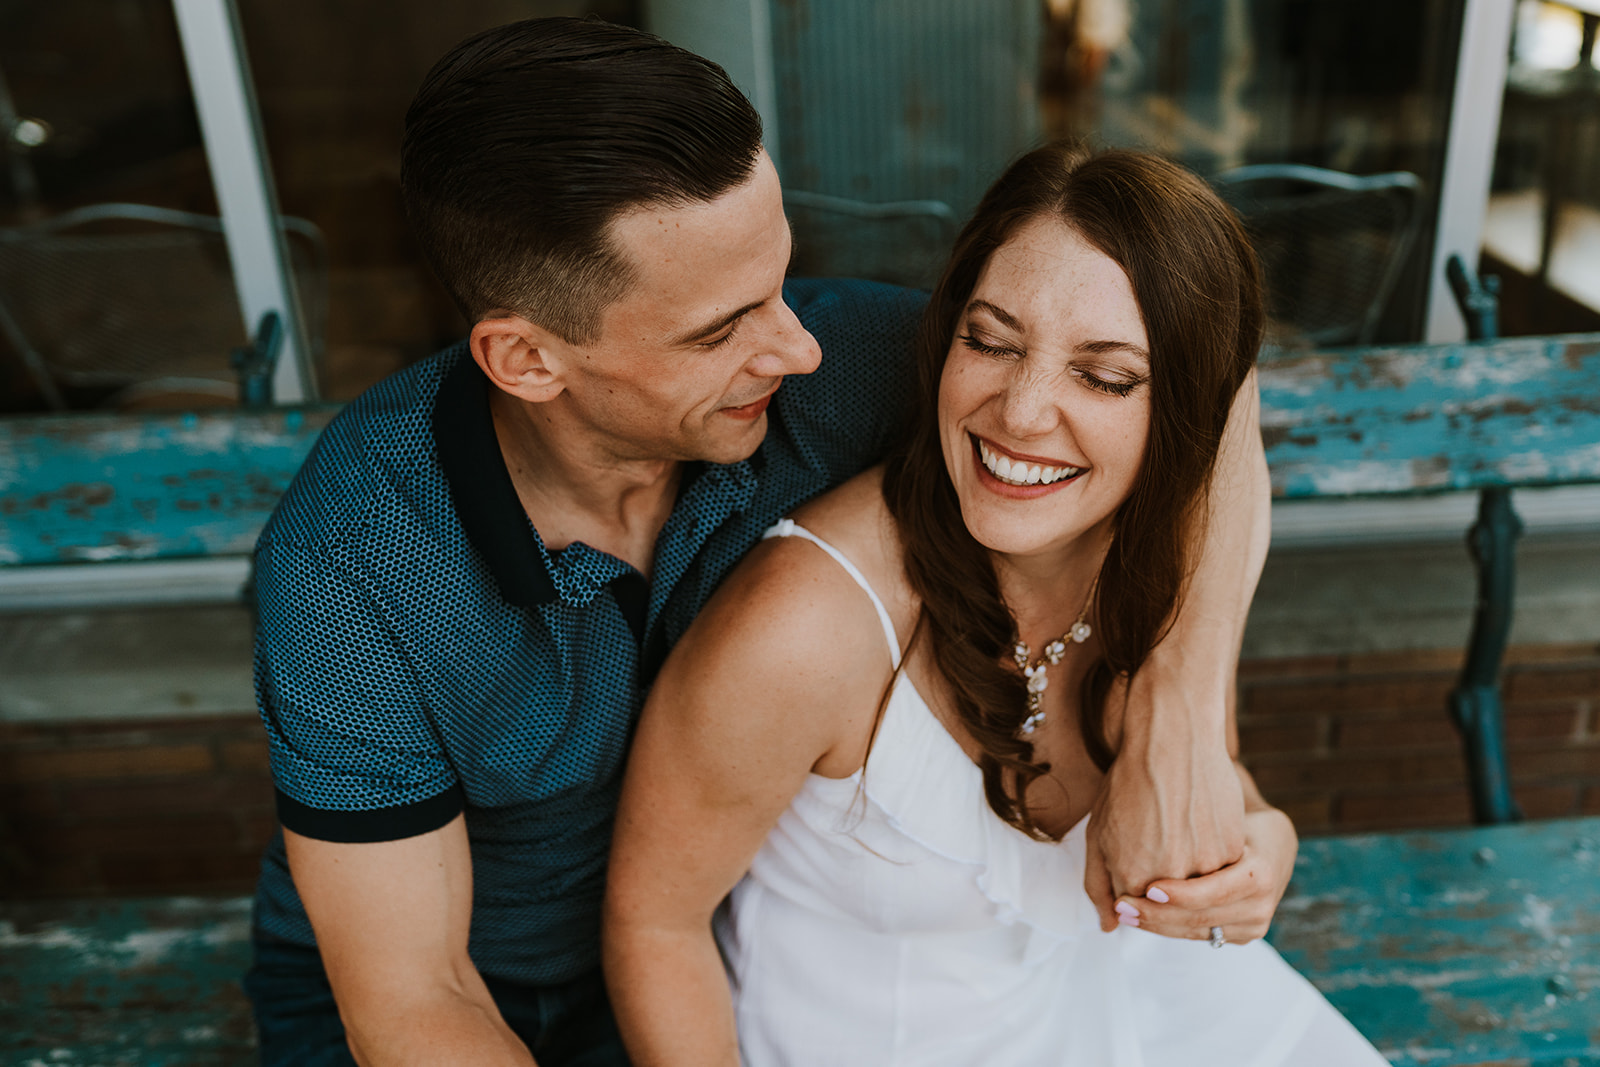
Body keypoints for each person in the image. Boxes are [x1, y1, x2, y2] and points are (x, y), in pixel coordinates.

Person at [243, 18, 1268, 1067]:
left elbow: (1208, 386)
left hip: (737, 953)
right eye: (719, 327)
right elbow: (416, 999)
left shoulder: (838, 368)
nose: (797, 343)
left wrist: (1180, 713)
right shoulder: (350, 567)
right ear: (527, 359)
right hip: (465, 999)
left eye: (781, 279)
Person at [603, 144, 1389, 1065]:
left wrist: (1262, 850)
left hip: (1139, 1012)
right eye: (992, 341)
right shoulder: (807, 623)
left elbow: (1213, 775)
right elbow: (653, 927)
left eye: (1103, 376)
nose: (1019, 413)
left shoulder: (1163, 561)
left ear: (1181, 414)